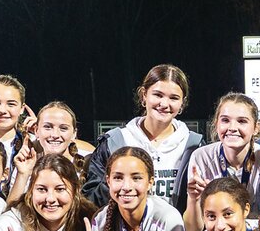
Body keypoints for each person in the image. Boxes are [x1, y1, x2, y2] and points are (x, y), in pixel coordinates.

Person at [86, 65, 202, 209]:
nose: (164, 104)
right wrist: (118, 179)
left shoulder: (194, 146)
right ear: (143, 95)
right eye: (158, 95)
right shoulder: (114, 142)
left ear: (182, 103)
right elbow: (90, 200)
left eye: (173, 98)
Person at [184, 93, 260, 231]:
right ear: (216, 124)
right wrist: (193, 199)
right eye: (225, 120)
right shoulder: (201, 157)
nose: (232, 127)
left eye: (242, 121)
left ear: (256, 128)